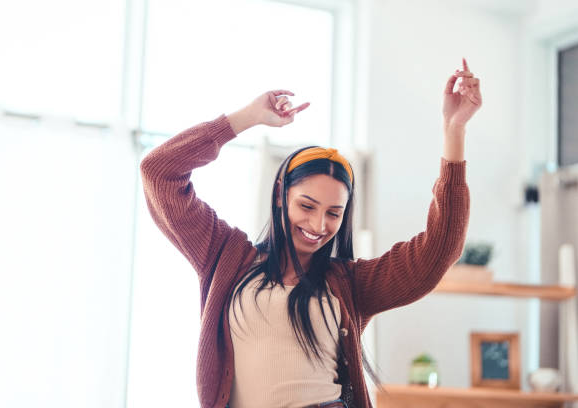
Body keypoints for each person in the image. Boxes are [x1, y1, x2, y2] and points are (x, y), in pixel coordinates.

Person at [139, 58, 481, 408]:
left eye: (334, 213)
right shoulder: (225, 256)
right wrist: (246, 118)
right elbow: (159, 172)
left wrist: (454, 131)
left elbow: (440, 249)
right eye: (307, 206)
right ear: (279, 195)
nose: (319, 226)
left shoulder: (351, 284)